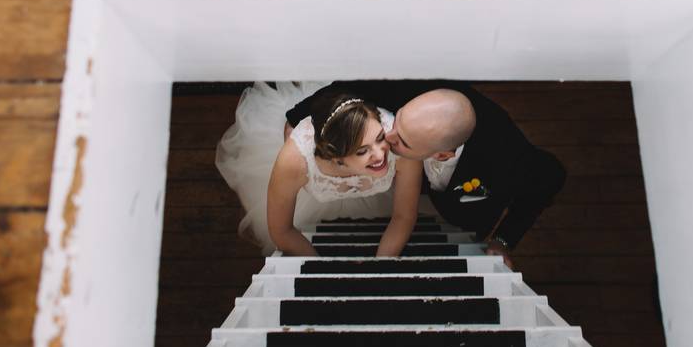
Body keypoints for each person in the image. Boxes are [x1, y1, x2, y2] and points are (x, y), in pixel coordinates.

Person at [285, 81, 566, 267]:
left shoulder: (508, 159)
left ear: (441, 155)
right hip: (395, 190)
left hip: (456, 215)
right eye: (398, 120)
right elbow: (343, 92)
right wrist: (302, 133)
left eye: (403, 141)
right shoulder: (410, 92)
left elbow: (551, 177)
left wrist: (502, 241)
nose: (387, 137)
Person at [216, 82, 423, 256]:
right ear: (337, 159)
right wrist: (317, 268)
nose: (380, 154)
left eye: (379, 138)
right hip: (313, 199)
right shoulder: (295, 161)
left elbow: (403, 216)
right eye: (362, 151)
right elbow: (281, 231)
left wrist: (381, 265)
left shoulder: (399, 143)